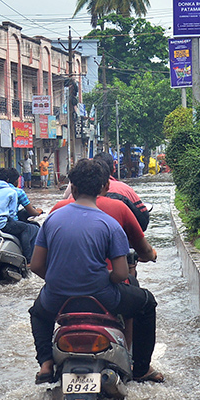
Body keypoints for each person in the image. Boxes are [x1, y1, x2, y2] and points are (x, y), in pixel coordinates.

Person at [28, 158, 161, 385]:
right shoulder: (110, 224)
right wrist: (103, 279)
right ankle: (140, 369)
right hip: (101, 297)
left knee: (38, 314)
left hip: (57, 297)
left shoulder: (52, 219)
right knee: (147, 304)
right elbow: (120, 273)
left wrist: (56, 280)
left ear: (73, 187)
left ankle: (46, 364)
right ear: (105, 188)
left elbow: (36, 265)